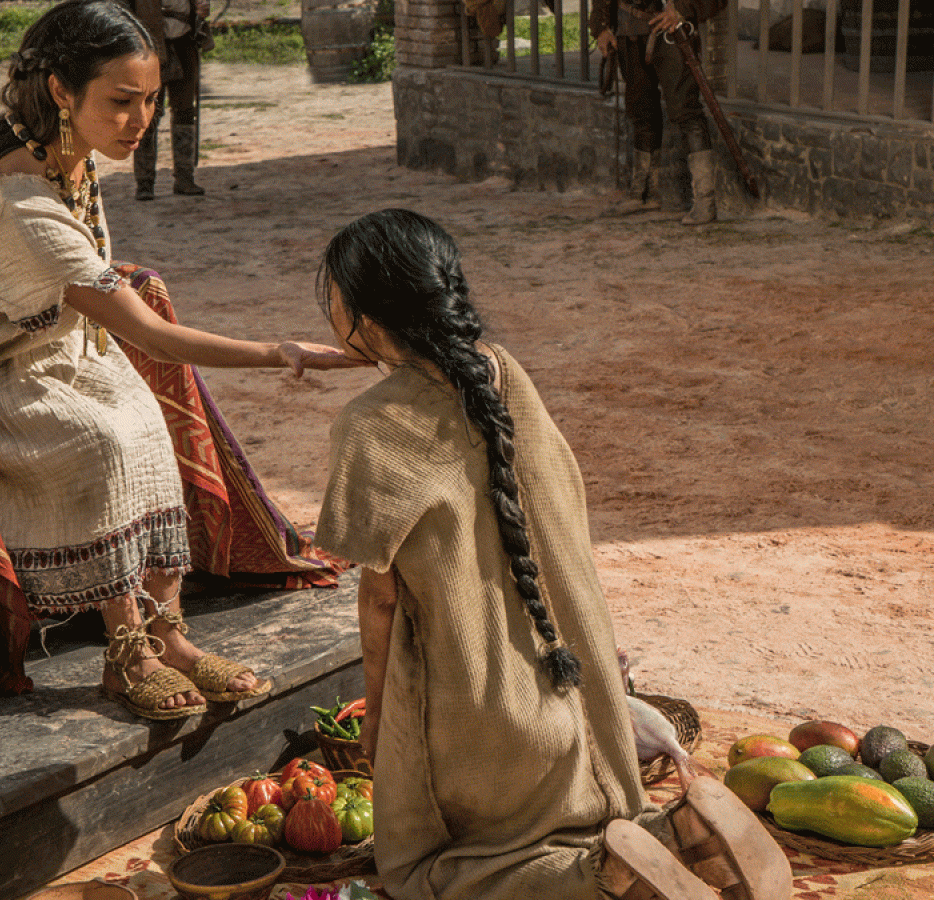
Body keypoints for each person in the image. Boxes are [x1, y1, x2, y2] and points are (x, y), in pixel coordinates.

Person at [0, 0, 367, 722]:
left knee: (146, 422)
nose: (141, 119)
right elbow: (153, 338)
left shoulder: (63, 155)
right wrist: (280, 352)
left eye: (152, 100)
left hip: (39, 346)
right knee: (101, 440)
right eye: (121, 102)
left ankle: (171, 637)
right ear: (62, 91)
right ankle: (129, 654)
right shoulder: (18, 200)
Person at [312, 209, 789, 899]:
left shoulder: (369, 425)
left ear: (360, 311)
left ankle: (596, 879)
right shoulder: (504, 375)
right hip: (580, 693)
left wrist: (381, 721)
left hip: (488, 717)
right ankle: (668, 837)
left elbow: (380, 598)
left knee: (426, 875)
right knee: (601, 819)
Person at [591, 0, 727, 224]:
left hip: (671, 33)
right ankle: (644, 194)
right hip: (628, 32)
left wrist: (683, 8)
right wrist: (601, 26)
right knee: (640, 111)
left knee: (687, 112)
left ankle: (705, 200)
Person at [128, 0, 211, 199]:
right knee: (148, 114)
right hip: (150, 48)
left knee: (185, 112)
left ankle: (184, 179)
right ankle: (145, 183)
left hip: (184, 43)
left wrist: (201, 12)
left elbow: (200, 8)